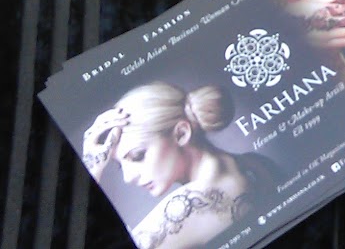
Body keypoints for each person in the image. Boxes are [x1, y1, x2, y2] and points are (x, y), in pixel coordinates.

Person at [80, 82, 273, 249]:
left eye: (138, 156)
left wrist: (89, 171)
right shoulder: (254, 164)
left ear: (181, 133)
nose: (128, 177)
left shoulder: (184, 210)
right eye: (120, 166)